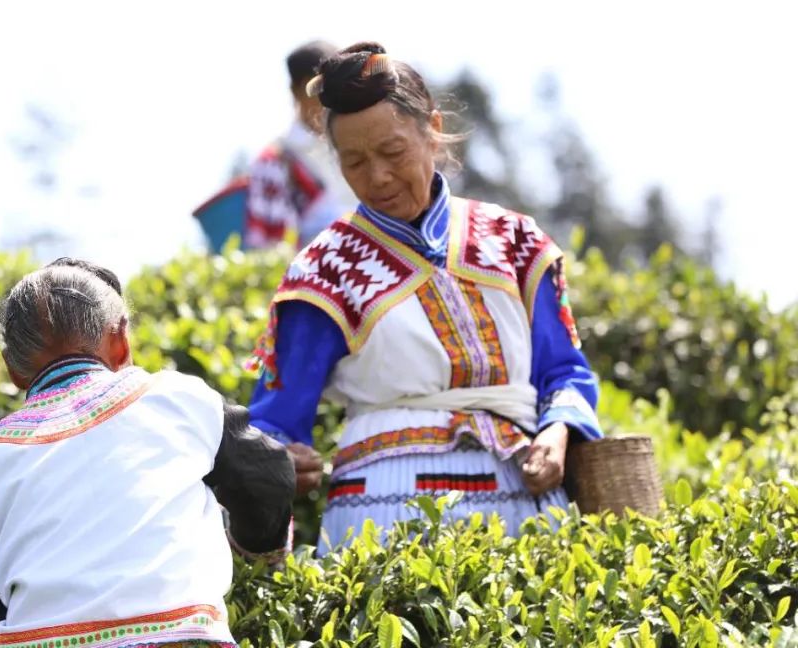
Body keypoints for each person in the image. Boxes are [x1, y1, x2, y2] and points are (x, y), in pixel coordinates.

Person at [247, 42, 602, 554]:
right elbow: (275, 420)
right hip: (381, 518)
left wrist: (558, 431)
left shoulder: (516, 241)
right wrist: (278, 459)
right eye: (354, 162)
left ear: (432, 128)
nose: (378, 177)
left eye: (393, 152)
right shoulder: (322, 271)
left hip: (524, 499)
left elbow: (564, 371)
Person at [0, 258, 295, 648]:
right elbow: (267, 478)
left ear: (12, 369)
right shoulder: (176, 399)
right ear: (122, 339)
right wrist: (257, 551)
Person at [192, 41, 355, 253]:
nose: (326, 99)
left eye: (333, 87)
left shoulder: (356, 142)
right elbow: (272, 248)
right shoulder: (275, 162)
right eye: (317, 89)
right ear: (296, 92)